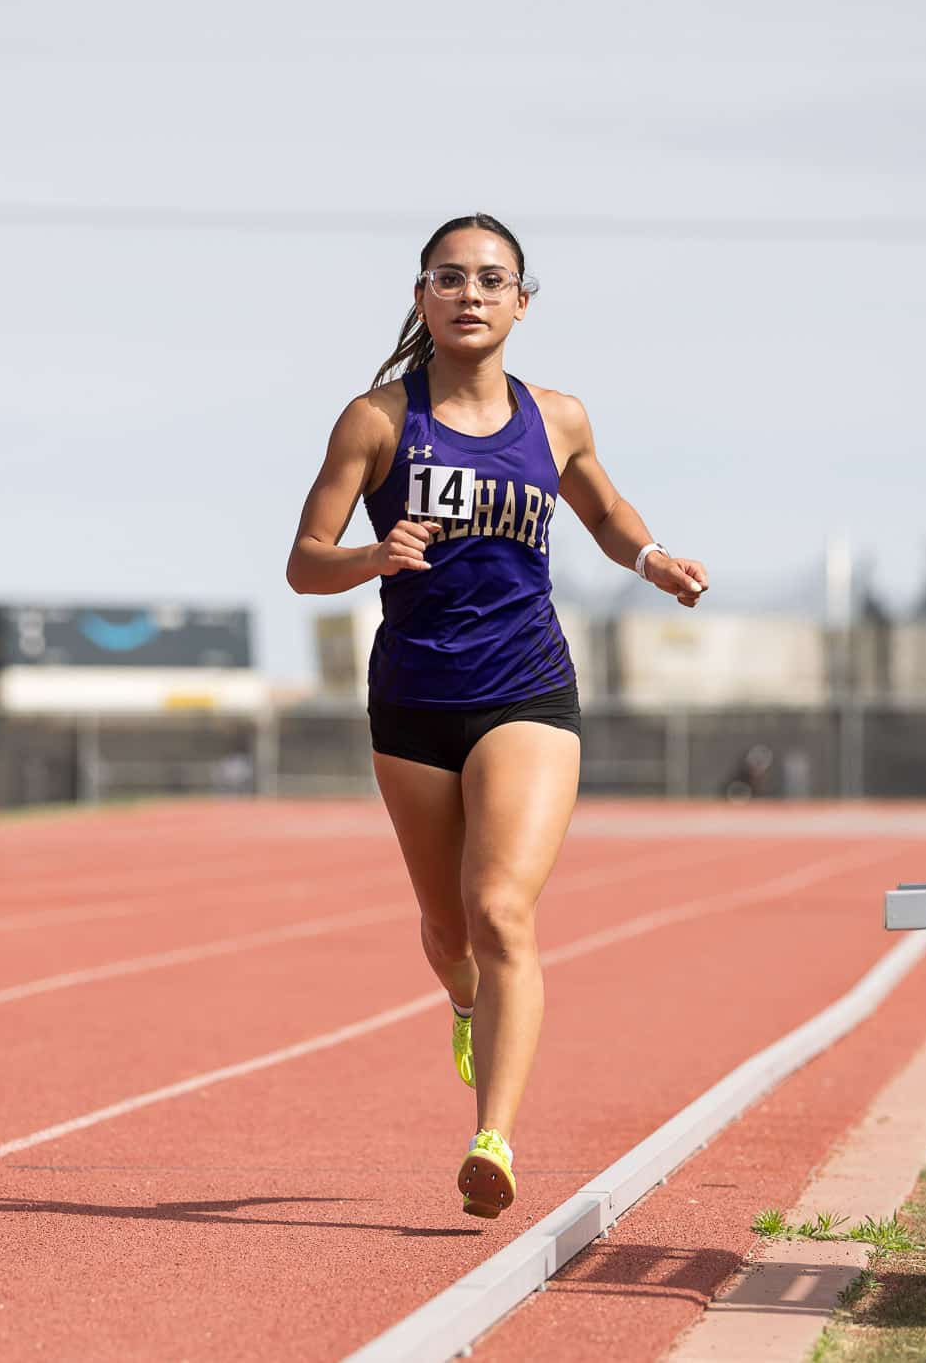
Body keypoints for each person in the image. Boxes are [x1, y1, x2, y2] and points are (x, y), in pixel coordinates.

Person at [285, 214, 708, 1220]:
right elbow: (304, 562)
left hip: (525, 687)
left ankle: (494, 1137)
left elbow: (603, 510)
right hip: (414, 696)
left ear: (521, 302)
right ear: (422, 297)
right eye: (448, 278)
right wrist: (371, 559)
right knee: (445, 927)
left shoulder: (555, 416)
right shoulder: (376, 420)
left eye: (490, 279)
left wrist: (648, 560)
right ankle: (466, 1002)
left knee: (501, 908)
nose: (469, 294)